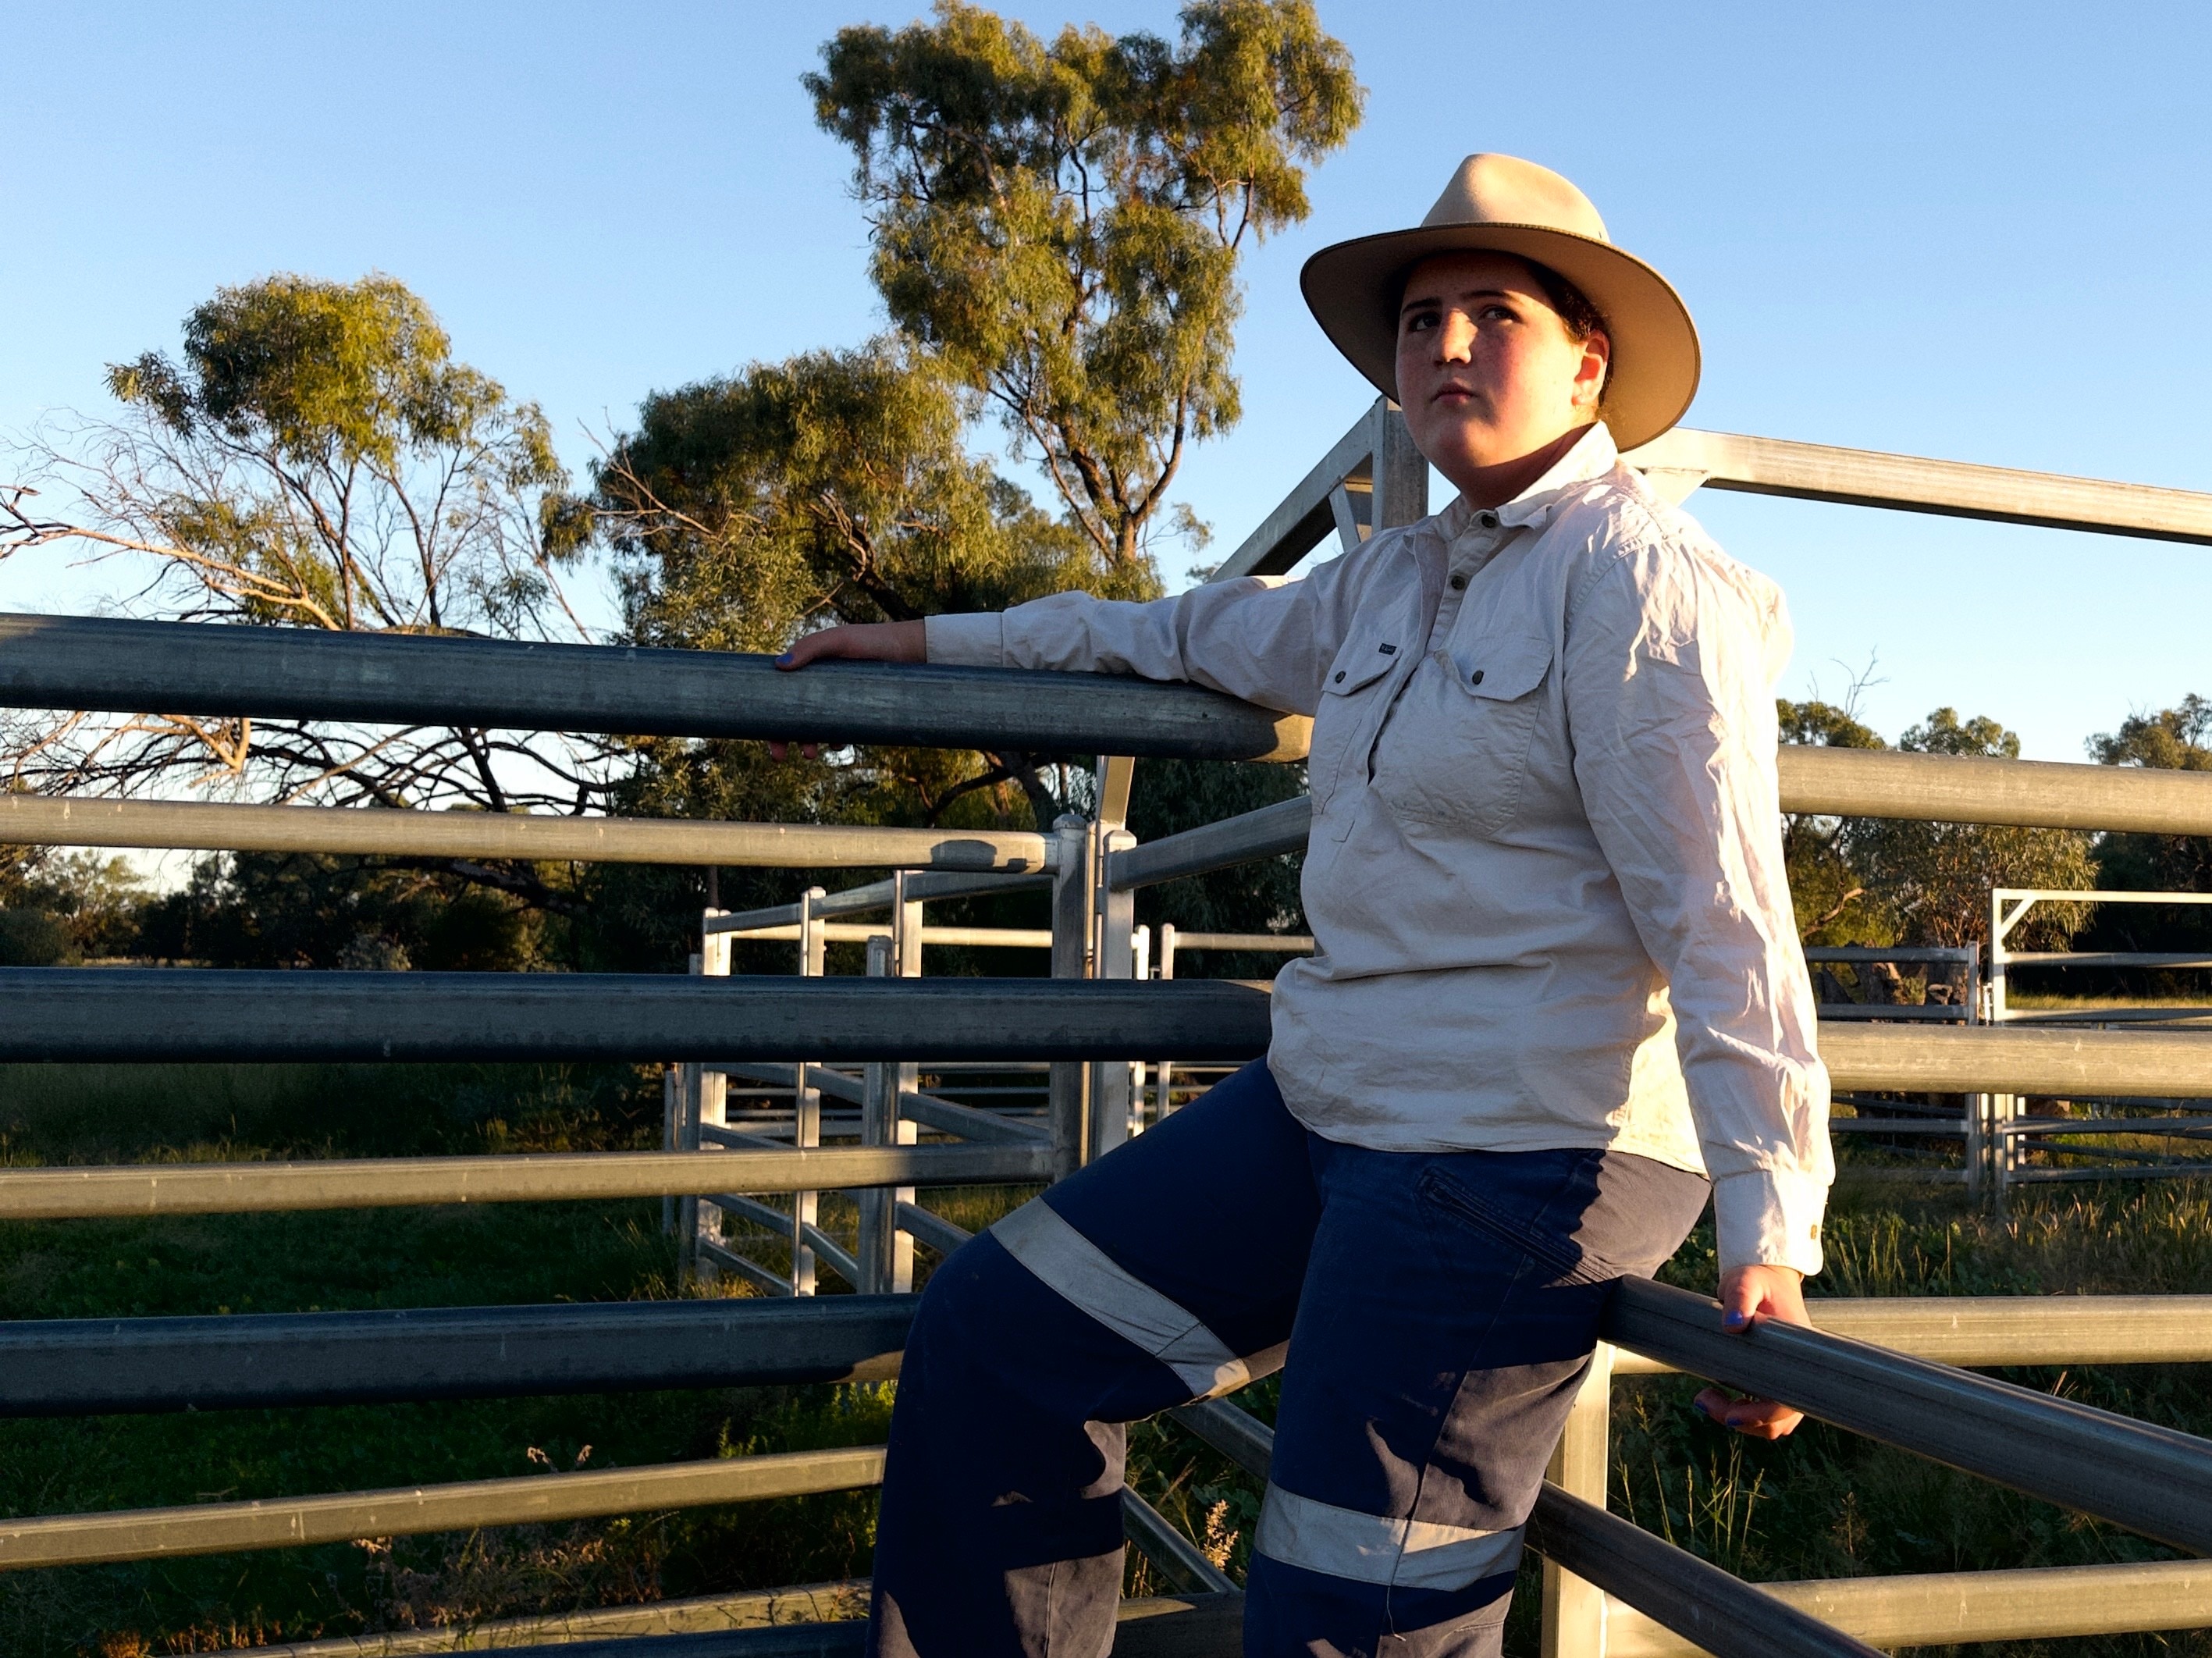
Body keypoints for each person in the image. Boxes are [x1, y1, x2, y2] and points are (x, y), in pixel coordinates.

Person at [778, 154, 1832, 1658]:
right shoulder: (1387, 581)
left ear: (1587, 362)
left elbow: (1724, 917)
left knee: (1347, 1601)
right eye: (1418, 322)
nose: (1446, 347)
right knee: (998, 1343)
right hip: (1330, 1101)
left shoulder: (1644, 584)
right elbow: (1170, 634)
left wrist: (1768, 1226)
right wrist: (923, 643)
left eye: (1491, 314)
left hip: (1522, 1147)